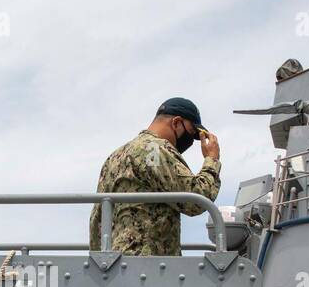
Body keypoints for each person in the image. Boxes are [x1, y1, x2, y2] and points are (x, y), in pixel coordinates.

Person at [88, 97, 221, 256]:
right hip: (148, 266)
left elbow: (97, 219)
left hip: (114, 265)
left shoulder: (115, 156)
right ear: (176, 123)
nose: (190, 141)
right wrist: (212, 160)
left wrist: (100, 261)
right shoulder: (154, 150)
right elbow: (197, 199)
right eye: (191, 132)